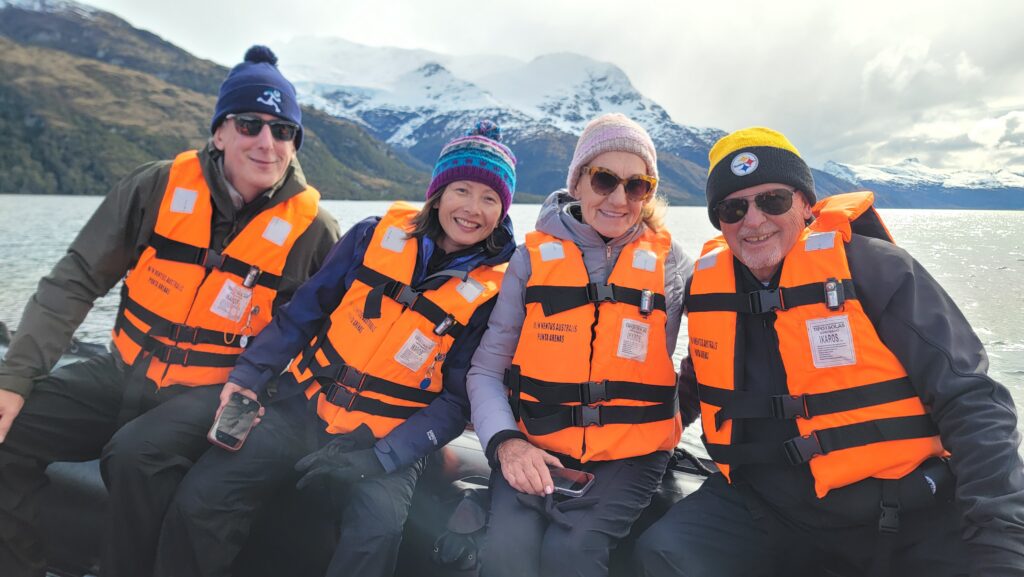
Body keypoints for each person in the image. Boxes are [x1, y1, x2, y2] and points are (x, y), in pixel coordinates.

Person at [0, 45, 340, 577]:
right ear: (219, 132)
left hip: (210, 395)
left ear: (295, 144)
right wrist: (15, 379)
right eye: (249, 124)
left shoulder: (315, 231)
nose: (266, 143)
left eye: (283, 131)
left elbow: (315, 339)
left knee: (134, 456)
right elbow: (75, 279)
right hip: (121, 371)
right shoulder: (155, 186)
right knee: (6, 434)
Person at [634, 127, 1024, 576]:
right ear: (720, 220)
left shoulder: (877, 271)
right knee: (663, 553)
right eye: (733, 207)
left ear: (805, 202)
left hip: (899, 512)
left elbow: (974, 403)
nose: (753, 220)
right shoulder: (710, 290)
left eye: (773, 200)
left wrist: (1002, 542)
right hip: (770, 509)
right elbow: (696, 390)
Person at [154, 121, 519, 577]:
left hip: (387, 438)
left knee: (378, 530)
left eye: (490, 199)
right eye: (462, 190)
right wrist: (248, 375)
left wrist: (379, 460)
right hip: (301, 407)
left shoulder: (494, 293)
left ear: (502, 210)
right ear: (438, 193)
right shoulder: (370, 237)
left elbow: (455, 403)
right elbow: (300, 315)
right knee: (202, 497)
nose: (472, 209)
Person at [466, 112, 694, 577]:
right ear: (578, 183)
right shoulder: (531, 260)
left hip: (633, 456)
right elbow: (486, 372)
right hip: (534, 444)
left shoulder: (673, 264)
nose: (618, 198)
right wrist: (508, 444)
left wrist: (665, 419)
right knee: (506, 556)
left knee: (572, 555)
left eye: (637, 186)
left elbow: (719, 349)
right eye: (604, 179)